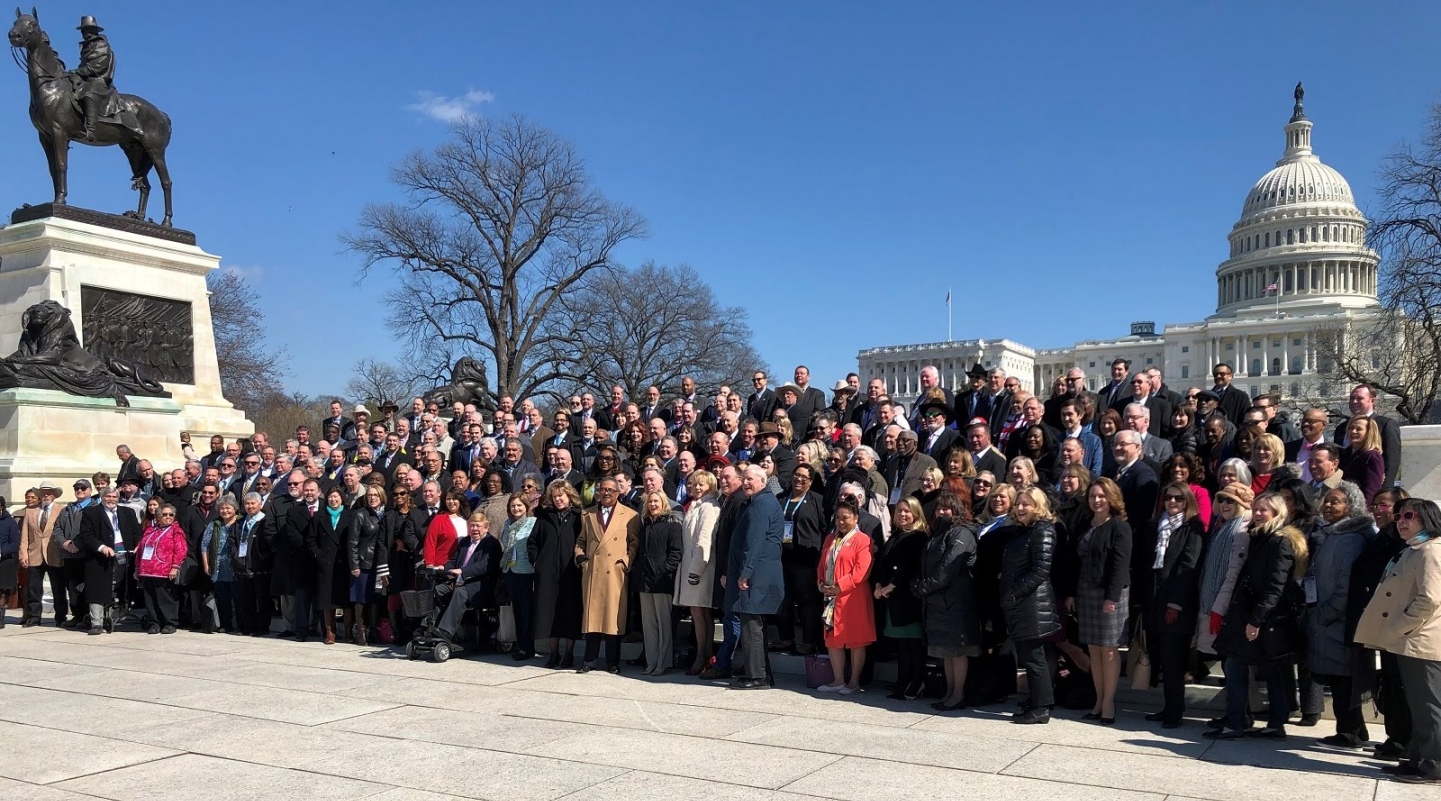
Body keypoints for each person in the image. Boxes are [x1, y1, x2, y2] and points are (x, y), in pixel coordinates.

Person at [1209, 493, 1309, 740]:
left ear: (1277, 514)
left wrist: (1256, 620)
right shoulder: (1260, 538)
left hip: (1266, 619)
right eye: (1256, 509)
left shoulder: (1280, 542)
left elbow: (1276, 586)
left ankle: (1242, 722)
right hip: (1252, 614)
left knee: (1242, 666)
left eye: (1264, 510)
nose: (1258, 513)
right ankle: (1267, 723)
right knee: (1260, 668)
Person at [1355, 497, 1441, 785]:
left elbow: (1429, 599)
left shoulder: (1431, 551)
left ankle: (1435, 765)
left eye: (1409, 515)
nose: (1401, 521)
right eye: (1399, 517)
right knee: (1418, 705)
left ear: (1427, 518)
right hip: (1410, 641)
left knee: (1429, 707)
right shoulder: (1414, 550)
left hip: (1422, 642)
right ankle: (1418, 759)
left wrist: (1400, 626)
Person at [1307, 481, 1376, 747]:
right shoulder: (1335, 534)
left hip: (1336, 623)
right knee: (1338, 681)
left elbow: (1345, 588)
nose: (1328, 505)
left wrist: (1324, 615)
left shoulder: (1351, 539)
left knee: (1344, 682)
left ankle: (1351, 733)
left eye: (1335, 501)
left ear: (1352, 505)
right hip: (1327, 621)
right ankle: (1351, 730)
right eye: (1326, 500)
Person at [1349, 488, 1413, 761]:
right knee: (1389, 681)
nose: (1377, 510)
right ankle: (1394, 736)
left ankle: (1402, 740)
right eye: (1374, 505)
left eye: (1384, 506)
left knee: (1399, 684)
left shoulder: (1402, 542)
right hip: (1380, 620)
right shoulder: (1380, 537)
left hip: (1397, 623)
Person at [1070, 477, 1131, 725]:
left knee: (1108, 649)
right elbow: (1073, 561)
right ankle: (1098, 700)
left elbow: (1120, 565)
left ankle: (1109, 702)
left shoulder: (1119, 527)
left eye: (1102, 496)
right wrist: (1070, 593)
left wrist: (1112, 597)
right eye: (1093, 496)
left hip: (1110, 594)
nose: (1097, 500)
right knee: (1093, 648)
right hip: (1085, 591)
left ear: (1112, 499)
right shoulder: (1085, 524)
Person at [1000, 487, 1062, 723]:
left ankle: (1042, 708)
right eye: (1018, 504)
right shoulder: (1023, 531)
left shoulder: (1043, 530)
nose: (1021, 508)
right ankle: (1037, 700)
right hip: (1020, 604)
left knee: (1035, 657)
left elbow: (1040, 571)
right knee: (1029, 656)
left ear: (1038, 506)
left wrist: (1014, 593)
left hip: (1032, 604)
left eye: (1026, 504)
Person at [1146, 482, 1204, 729]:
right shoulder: (1157, 525)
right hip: (1156, 599)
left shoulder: (1192, 528)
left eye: (1178, 498)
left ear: (1187, 501)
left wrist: (1176, 603)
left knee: (1173, 660)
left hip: (1177, 604)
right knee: (1162, 658)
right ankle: (1168, 707)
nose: (1172, 502)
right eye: (1168, 497)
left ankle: (1175, 712)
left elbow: (1189, 567)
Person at [726, 465, 786, 689]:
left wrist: (745, 573)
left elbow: (755, 541)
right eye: (744, 479)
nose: (746, 483)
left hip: (757, 574)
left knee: (751, 624)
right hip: (759, 572)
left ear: (763, 481)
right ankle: (761, 673)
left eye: (751, 479)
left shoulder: (761, 505)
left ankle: (757, 676)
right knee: (753, 623)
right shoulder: (760, 502)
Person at [575, 476, 640, 674]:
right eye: (603, 489)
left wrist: (626, 562)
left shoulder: (630, 515)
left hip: (615, 571)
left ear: (618, 492)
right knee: (592, 618)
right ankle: (590, 660)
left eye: (611, 490)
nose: (606, 493)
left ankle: (613, 662)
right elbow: (581, 541)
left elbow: (634, 542)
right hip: (594, 571)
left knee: (613, 619)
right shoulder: (587, 514)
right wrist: (581, 558)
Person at [815, 499, 875, 694]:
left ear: (856, 518)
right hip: (831, 597)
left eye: (846, 518)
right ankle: (838, 679)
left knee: (856, 640)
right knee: (832, 638)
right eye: (838, 518)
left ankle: (854, 681)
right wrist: (821, 583)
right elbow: (822, 565)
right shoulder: (830, 539)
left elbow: (861, 571)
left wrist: (839, 587)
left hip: (853, 596)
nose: (841, 522)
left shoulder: (863, 540)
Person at [873, 497, 928, 699]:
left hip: (908, 599)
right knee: (902, 646)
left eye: (907, 511)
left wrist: (891, 586)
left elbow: (909, 567)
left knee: (913, 644)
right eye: (899, 511)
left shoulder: (918, 537)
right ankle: (902, 682)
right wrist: (879, 584)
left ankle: (916, 681)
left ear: (915, 513)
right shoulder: (895, 535)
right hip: (891, 598)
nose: (902, 514)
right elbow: (883, 563)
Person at [529, 480, 585, 669]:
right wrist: (537, 561)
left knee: (569, 612)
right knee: (549, 613)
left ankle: (569, 654)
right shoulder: (544, 516)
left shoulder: (579, 516)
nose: (558, 499)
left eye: (561, 495)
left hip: (571, 572)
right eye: (555, 496)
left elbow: (583, 541)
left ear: (570, 496)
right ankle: (554, 653)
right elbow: (532, 542)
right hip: (547, 573)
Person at [775, 463, 827, 656]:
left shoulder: (817, 501)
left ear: (811, 481)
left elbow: (823, 528)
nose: (798, 479)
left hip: (805, 561)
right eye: (796, 475)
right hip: (781, 559)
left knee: (807, 602)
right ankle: (785, 639)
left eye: (804, 477)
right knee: (783, 600)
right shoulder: (781, 499)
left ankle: (807, 642)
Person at [76, 486, 142, 635]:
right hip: (99, 557)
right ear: (102, 497)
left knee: (121, 587)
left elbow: (137, 532)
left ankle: (119, 616)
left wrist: (138, 545)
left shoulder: (128, 512)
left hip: (124, 555)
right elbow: (86, 535)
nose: (111, 499)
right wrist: (101, 547)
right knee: (97, 589)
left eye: (114, 497)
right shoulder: (91, 513)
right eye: (108, 497)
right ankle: (97, 623)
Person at [1198, 484, 1253, 658]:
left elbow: (1233, 573)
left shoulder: (1241, 530)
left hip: (1228, 606)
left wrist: (1218, 608)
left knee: (1231, 661)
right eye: (1221, 499)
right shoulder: (1222, 526)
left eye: (1231, 500)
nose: (1224, 504)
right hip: (1215, 601)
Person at [675, 471, 721, 673]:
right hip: (693, 566)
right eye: (692, 484)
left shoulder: (709, 507)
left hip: (700, 569)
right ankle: (706, 652)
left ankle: (702, 654)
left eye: (700, 485)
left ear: (710, 486)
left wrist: (695, 571)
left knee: (699, 613)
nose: (695, 488)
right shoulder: (697, 505)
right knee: (700, 613)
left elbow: (704, 540)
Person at [433, 513, 502, 644]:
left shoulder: (492, 544)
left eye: (478, 526)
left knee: (460, 593)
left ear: (486, 528)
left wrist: (462, 571)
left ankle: (445, 632)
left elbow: (484, 566)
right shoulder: (465, 541)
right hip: (460, 580)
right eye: (472, 525)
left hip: (479, 585)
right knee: (437, 590)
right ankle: (434, 626)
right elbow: (454, 560)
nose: (474, 529)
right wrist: (443, 567)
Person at [635, 491, 683, 675]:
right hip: (645, 581)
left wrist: (664, 570)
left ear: (663, 503)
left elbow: (676, 552)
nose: (653, 504)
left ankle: (663, 662)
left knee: (664, 624)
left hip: (662, 581)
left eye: (656, 501)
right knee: (649, 625)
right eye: (650, 502)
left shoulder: (672, 525)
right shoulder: (646, 524)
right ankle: (651, 661)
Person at [347, 484, 390, 646]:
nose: (372, 498)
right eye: (370, 495)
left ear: (382, 497)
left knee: (374, 598)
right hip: (363, 562)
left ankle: (373, 631)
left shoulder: (386, 515)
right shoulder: (360, 515)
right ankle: (361, 632)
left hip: (378, 563)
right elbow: (352, 542)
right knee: (360, 598)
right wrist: (354, 565)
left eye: (376, 495)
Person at [308, 485, 352, 644]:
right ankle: (330, 632)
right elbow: (311, 539)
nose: (333, 500)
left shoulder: (350, 515)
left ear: (342, 499)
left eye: (336, 497)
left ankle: (348, 631)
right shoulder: (320, 516)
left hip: (343, 562)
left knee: (345, 599)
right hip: (326, 562)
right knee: (327, 599)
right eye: (331, 497)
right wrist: (318, 554)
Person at [135, 504, 187, 634]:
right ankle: (154, 622)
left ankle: (170, 622)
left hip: (164, 570)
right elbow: (141, 549)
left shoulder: (176, 531)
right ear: (158, 516)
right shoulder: (150, 530)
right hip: (147, 570)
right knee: (150, 599)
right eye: (164, 514)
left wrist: (175, 567)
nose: (168, 517)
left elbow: (180, 550)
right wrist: (137, 568)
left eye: (171, 514)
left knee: (165, 598)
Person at [19, 484, 65, 627]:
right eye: (43, 493)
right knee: (34, 588)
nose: (45, 495)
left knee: (58, 588)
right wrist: (23, 554)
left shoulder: (61, 510)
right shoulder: (31, 512)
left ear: (54, 495)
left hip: (54, 553)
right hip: (35, 554)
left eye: (48, 493)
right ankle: (34, 617)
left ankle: (60, 617)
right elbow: (25, 535)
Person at [500, 492, 538, 660]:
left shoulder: (532, 523)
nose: (516, 508)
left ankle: (527, 647)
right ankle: (521, 644)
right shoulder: (507, 523)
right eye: (513, 505)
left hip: (526, 572)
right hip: (510, 571)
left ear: (526, 507)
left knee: (526, 611)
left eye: (519, 505)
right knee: (517, 610)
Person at [231, 492, 274, 637]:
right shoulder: (240, 522)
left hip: (260, 568)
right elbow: (232, 542)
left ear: (260, 504)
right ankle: (247, 627)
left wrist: (263, 556)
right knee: (246, 600)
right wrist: (236, 557)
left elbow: (270, 543)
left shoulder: (265, 521)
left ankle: (262, 627)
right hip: (242, 567)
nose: (249, 507)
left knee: (262, 600)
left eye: (252, 504)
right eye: (247, 504)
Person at [199, 497, 242, 634]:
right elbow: (204, 545)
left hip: (236, 567)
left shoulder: (241, 523)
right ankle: (225, 624)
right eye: (222, 508)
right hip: (218, 567)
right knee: (223, 598)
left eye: (228, 507)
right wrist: (206, 565)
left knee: (239, 598)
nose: (225, 510)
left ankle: (242, 624)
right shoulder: (214, 524)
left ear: (235, 509)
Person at [1339, 416, 1385, 503]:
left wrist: (1364, 512)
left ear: (1369, 433)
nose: (1353, 431)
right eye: (1351, 428)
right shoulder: (1344, 454)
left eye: (1359, 429)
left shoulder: (1372, 457)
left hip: (1359, 507)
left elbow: (1371, 490)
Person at [423, 490, 467, 568]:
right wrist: (430, 565)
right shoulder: (439, 519)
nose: (451, 501)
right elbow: (430, 543)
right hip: (441, 567)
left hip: (461, 568)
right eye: (448, 499)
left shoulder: (468, 520)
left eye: (454, 498)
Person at [0, 498, 18, 626]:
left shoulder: (10, 522)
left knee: (1, 591)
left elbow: (15, 542)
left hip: (4, 561)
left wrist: (1, 551)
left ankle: (0, 618)